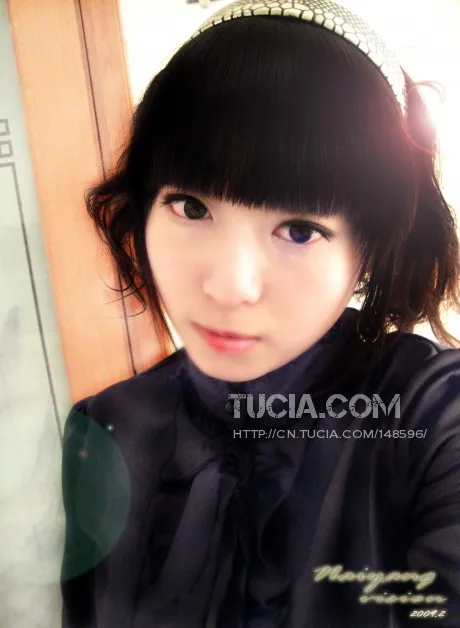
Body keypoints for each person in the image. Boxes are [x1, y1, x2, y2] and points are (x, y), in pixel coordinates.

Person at [60, 1, 460, 626]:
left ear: (370, 250)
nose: (229, 286)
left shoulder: (435, 414)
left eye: (300, 230)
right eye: (191, 208)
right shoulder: (109, 428)